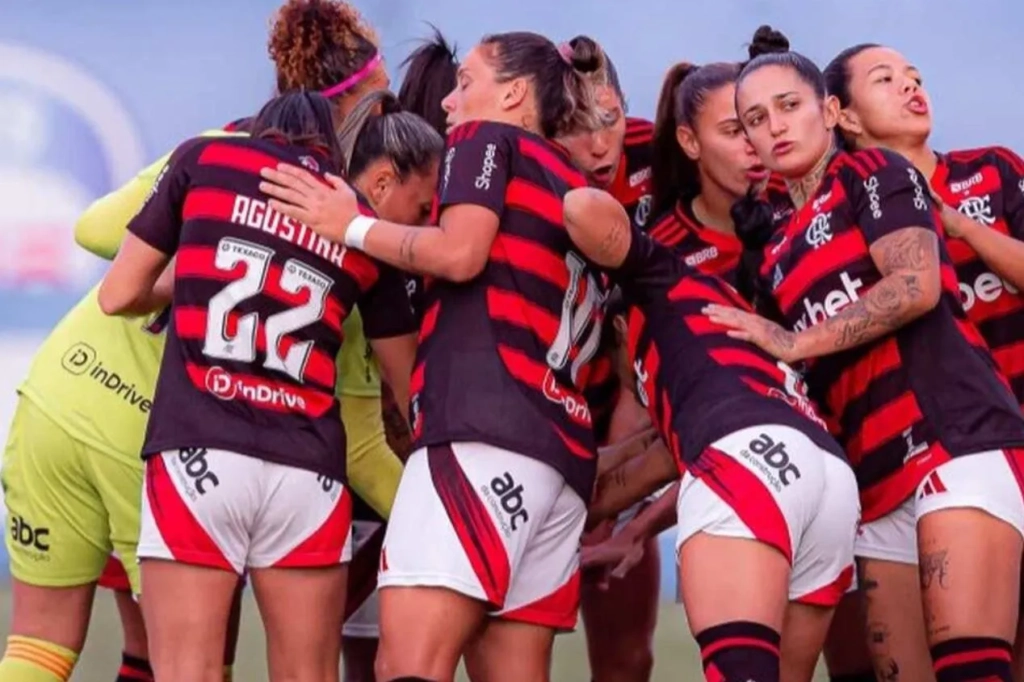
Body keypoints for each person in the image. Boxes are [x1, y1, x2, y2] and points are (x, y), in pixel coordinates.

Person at [258, 31, 609, 682]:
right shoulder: (572, 182)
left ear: (514, 94)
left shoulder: (484, 140)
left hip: (480, 437)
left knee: (407, 665)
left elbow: (459, 253)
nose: (449, 101)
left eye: (466, 82)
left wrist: (349, 225)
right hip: (558, 462)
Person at [711, 42, 1024, 682]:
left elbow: (916, 286)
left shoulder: (874, 171)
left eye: (789, 106)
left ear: (831, 113)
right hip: (873, 483)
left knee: (972, 670)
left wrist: (794, 342)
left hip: (956, 440)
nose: (775, 127)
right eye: (756, 119)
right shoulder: (771, 252)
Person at [95, 91, 417, 682]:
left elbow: (117, 295)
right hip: (308, 472)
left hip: (197, 456)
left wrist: (198, 272)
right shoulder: (354, 216)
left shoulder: (203, 160)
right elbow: (408, 381)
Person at [562, 185, 859, 682]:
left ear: (617, 331)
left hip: (744, 462)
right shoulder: (713, 336)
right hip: (827, 477)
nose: (629, 384)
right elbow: (645, 470)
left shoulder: (655, 286)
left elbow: (581, 208)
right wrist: (630, 532)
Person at [821, 40, 1024, 682]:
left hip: (1004, 441)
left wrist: (960, 228)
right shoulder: (837, 216)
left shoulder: (991, 172)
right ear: (843, 116)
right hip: (903, 464)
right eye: (885, 80)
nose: (911, 87)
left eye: (914, 76)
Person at [553, 34, 660, 682]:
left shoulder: (660, 152)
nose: (598, 145)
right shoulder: (519, 172)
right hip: (537, 424)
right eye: (574, 127)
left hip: (633, 410)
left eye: (609, 119)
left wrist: (616, 499)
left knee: (627, 658)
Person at [331, 90, 445, 682]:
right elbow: (366, 442)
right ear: (380, 184)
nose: (429, 230)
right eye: (423, 210)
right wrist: (442, 519)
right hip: (286, 469)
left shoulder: (378, 263)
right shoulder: (364, 264)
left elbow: (409, 397)